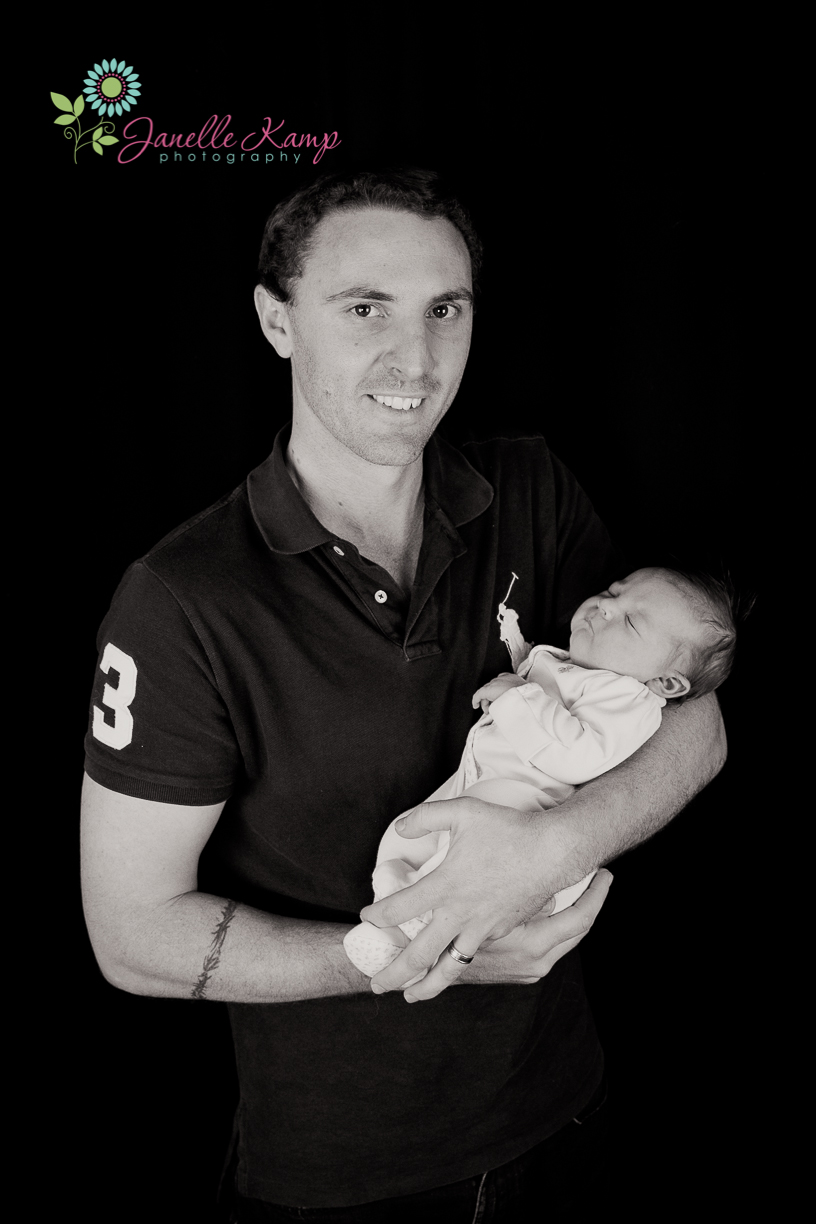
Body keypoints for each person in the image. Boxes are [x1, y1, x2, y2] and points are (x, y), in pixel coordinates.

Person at [80, 168, 727, 1218]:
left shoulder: (530, 488)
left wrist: (548, 853)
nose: (416, 359)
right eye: (364, 309)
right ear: (277, 321)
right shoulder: (181, 600)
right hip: (347, 1180)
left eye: (444, 310)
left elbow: (695, 719)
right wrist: (416, 951)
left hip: (567, 1111)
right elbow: (132, 936)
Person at [344, 566, 737, 980]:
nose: (605, 607)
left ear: (666, 683)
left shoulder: (629, 699)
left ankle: (421, 922)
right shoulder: (575, 665)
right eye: (611, 592)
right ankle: (390, 910)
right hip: (482, 781)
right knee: (407, 833)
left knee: (464, 847)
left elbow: (576, 755)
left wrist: (517, 698)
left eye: (631, 622)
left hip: (527, 807)